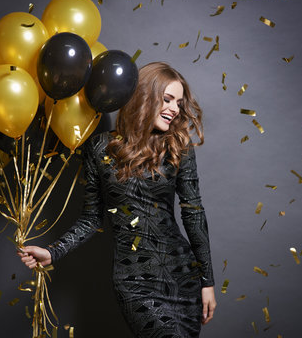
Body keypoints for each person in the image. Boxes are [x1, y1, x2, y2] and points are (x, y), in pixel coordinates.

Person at [18, 62, 216, 337]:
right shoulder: (99, 149)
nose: (175, 109)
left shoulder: (177, 148)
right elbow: (91, 218)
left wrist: (207, 281)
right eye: (167, 99)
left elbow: (193, 214)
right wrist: (53, 252)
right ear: (145, 96)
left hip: (182, 275)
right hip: (134, 282)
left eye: (179, 103)